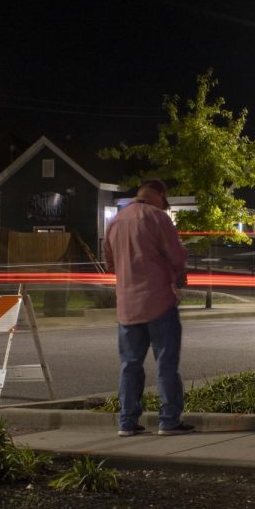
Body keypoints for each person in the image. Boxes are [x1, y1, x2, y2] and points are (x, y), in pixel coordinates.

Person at [103, 179, 193, 437]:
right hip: (158, 302)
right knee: (166, 363)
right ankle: (168, 421)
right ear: (160, 195)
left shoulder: (115, 222)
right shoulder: (158, 218)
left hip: (127, 306)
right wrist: (179, 276)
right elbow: (176, 256)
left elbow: (109, 263)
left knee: (130, 365)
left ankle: (127, 422)